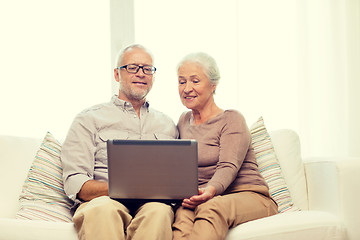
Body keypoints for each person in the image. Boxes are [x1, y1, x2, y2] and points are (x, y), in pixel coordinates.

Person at [61, 44, 178, 240]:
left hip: (151, 205)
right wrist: (127, 187)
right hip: (103, 201)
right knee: (104, 209)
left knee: (159, 212)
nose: (141, 73)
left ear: (153, 76)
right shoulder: (88, 119)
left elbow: (175, 178)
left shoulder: (168, 124)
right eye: (132, 67)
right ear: (117, 74)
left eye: (147, 69)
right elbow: (75, 182)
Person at [172, 52, 278, 240]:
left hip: (249, 194)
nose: (187, 88)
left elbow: (228, 166)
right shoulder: (182, 121)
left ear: (213, 85)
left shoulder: (231, 119)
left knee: (211, 207)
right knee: (181, 216)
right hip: (202, 198)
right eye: (182, 82)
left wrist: (210, 190)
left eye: (195, 81)